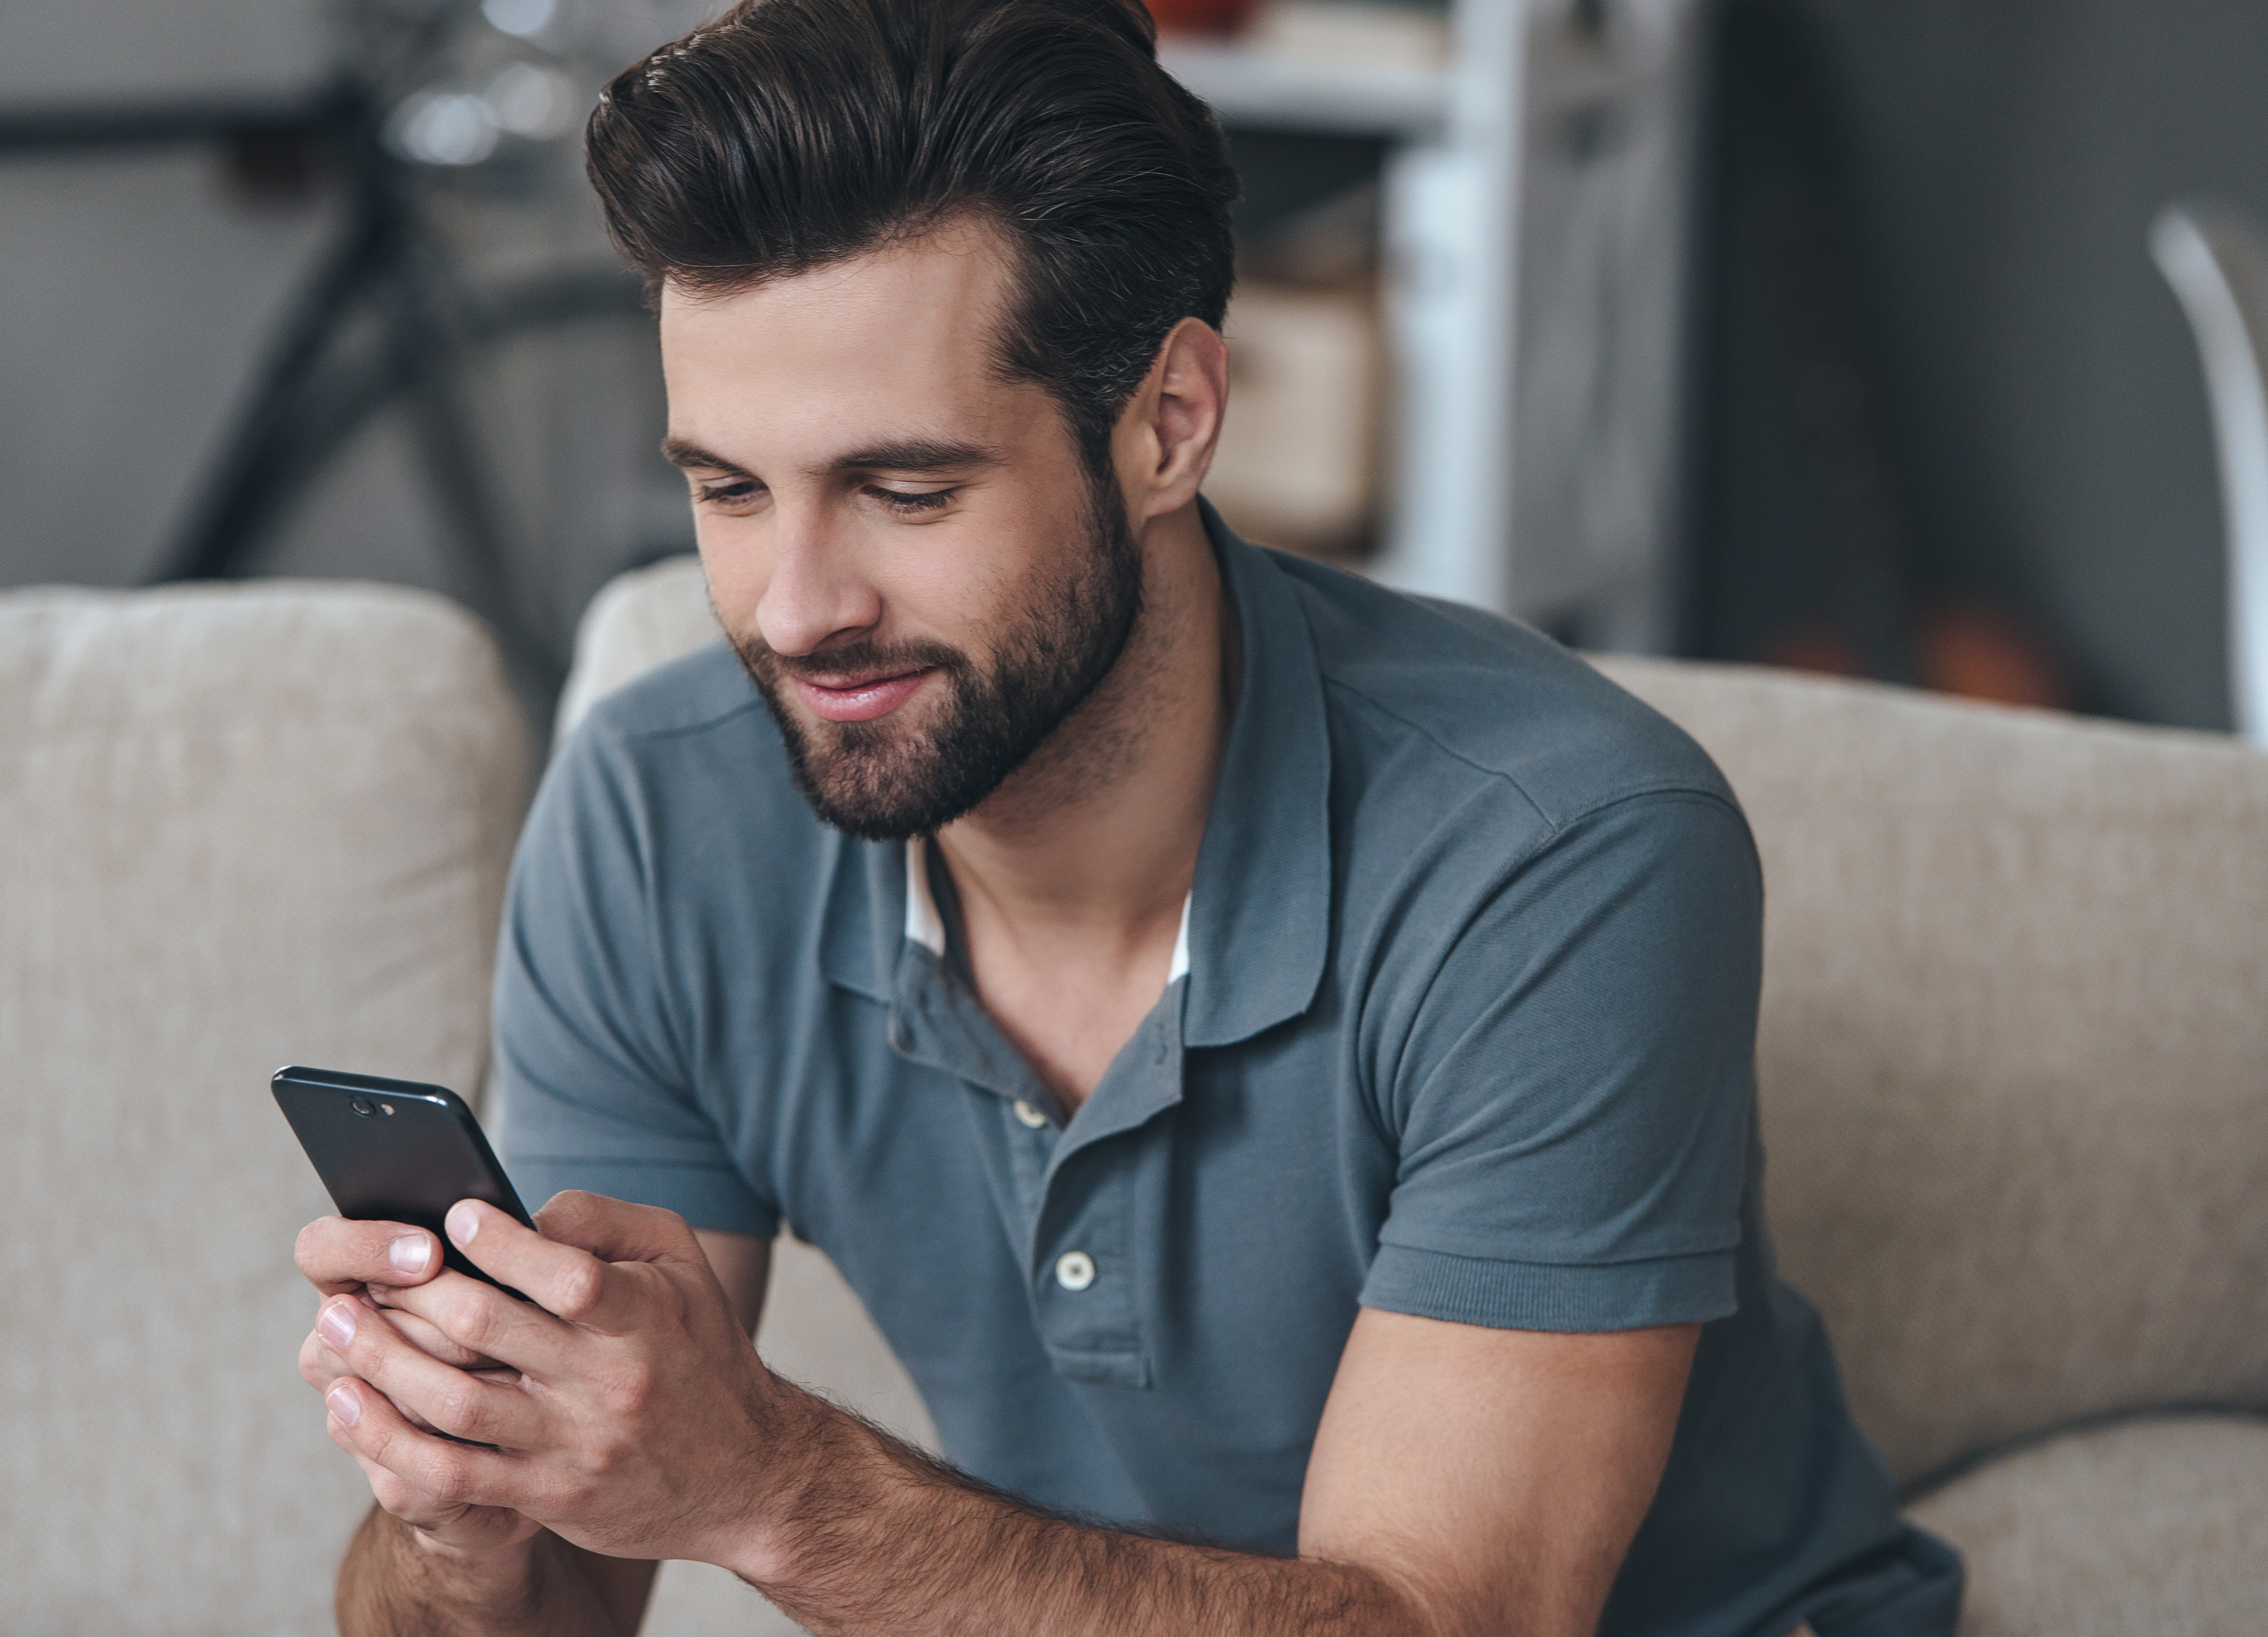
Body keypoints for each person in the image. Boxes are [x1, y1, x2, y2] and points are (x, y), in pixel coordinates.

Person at [293, 0, 1962, 1631]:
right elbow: (573, 1594)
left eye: (906, 489)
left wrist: (773, 1487)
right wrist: (466, 1509)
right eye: (728, 489)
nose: (794, 608)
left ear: (1169, 424)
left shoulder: (1560, 851)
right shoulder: (665, 822)